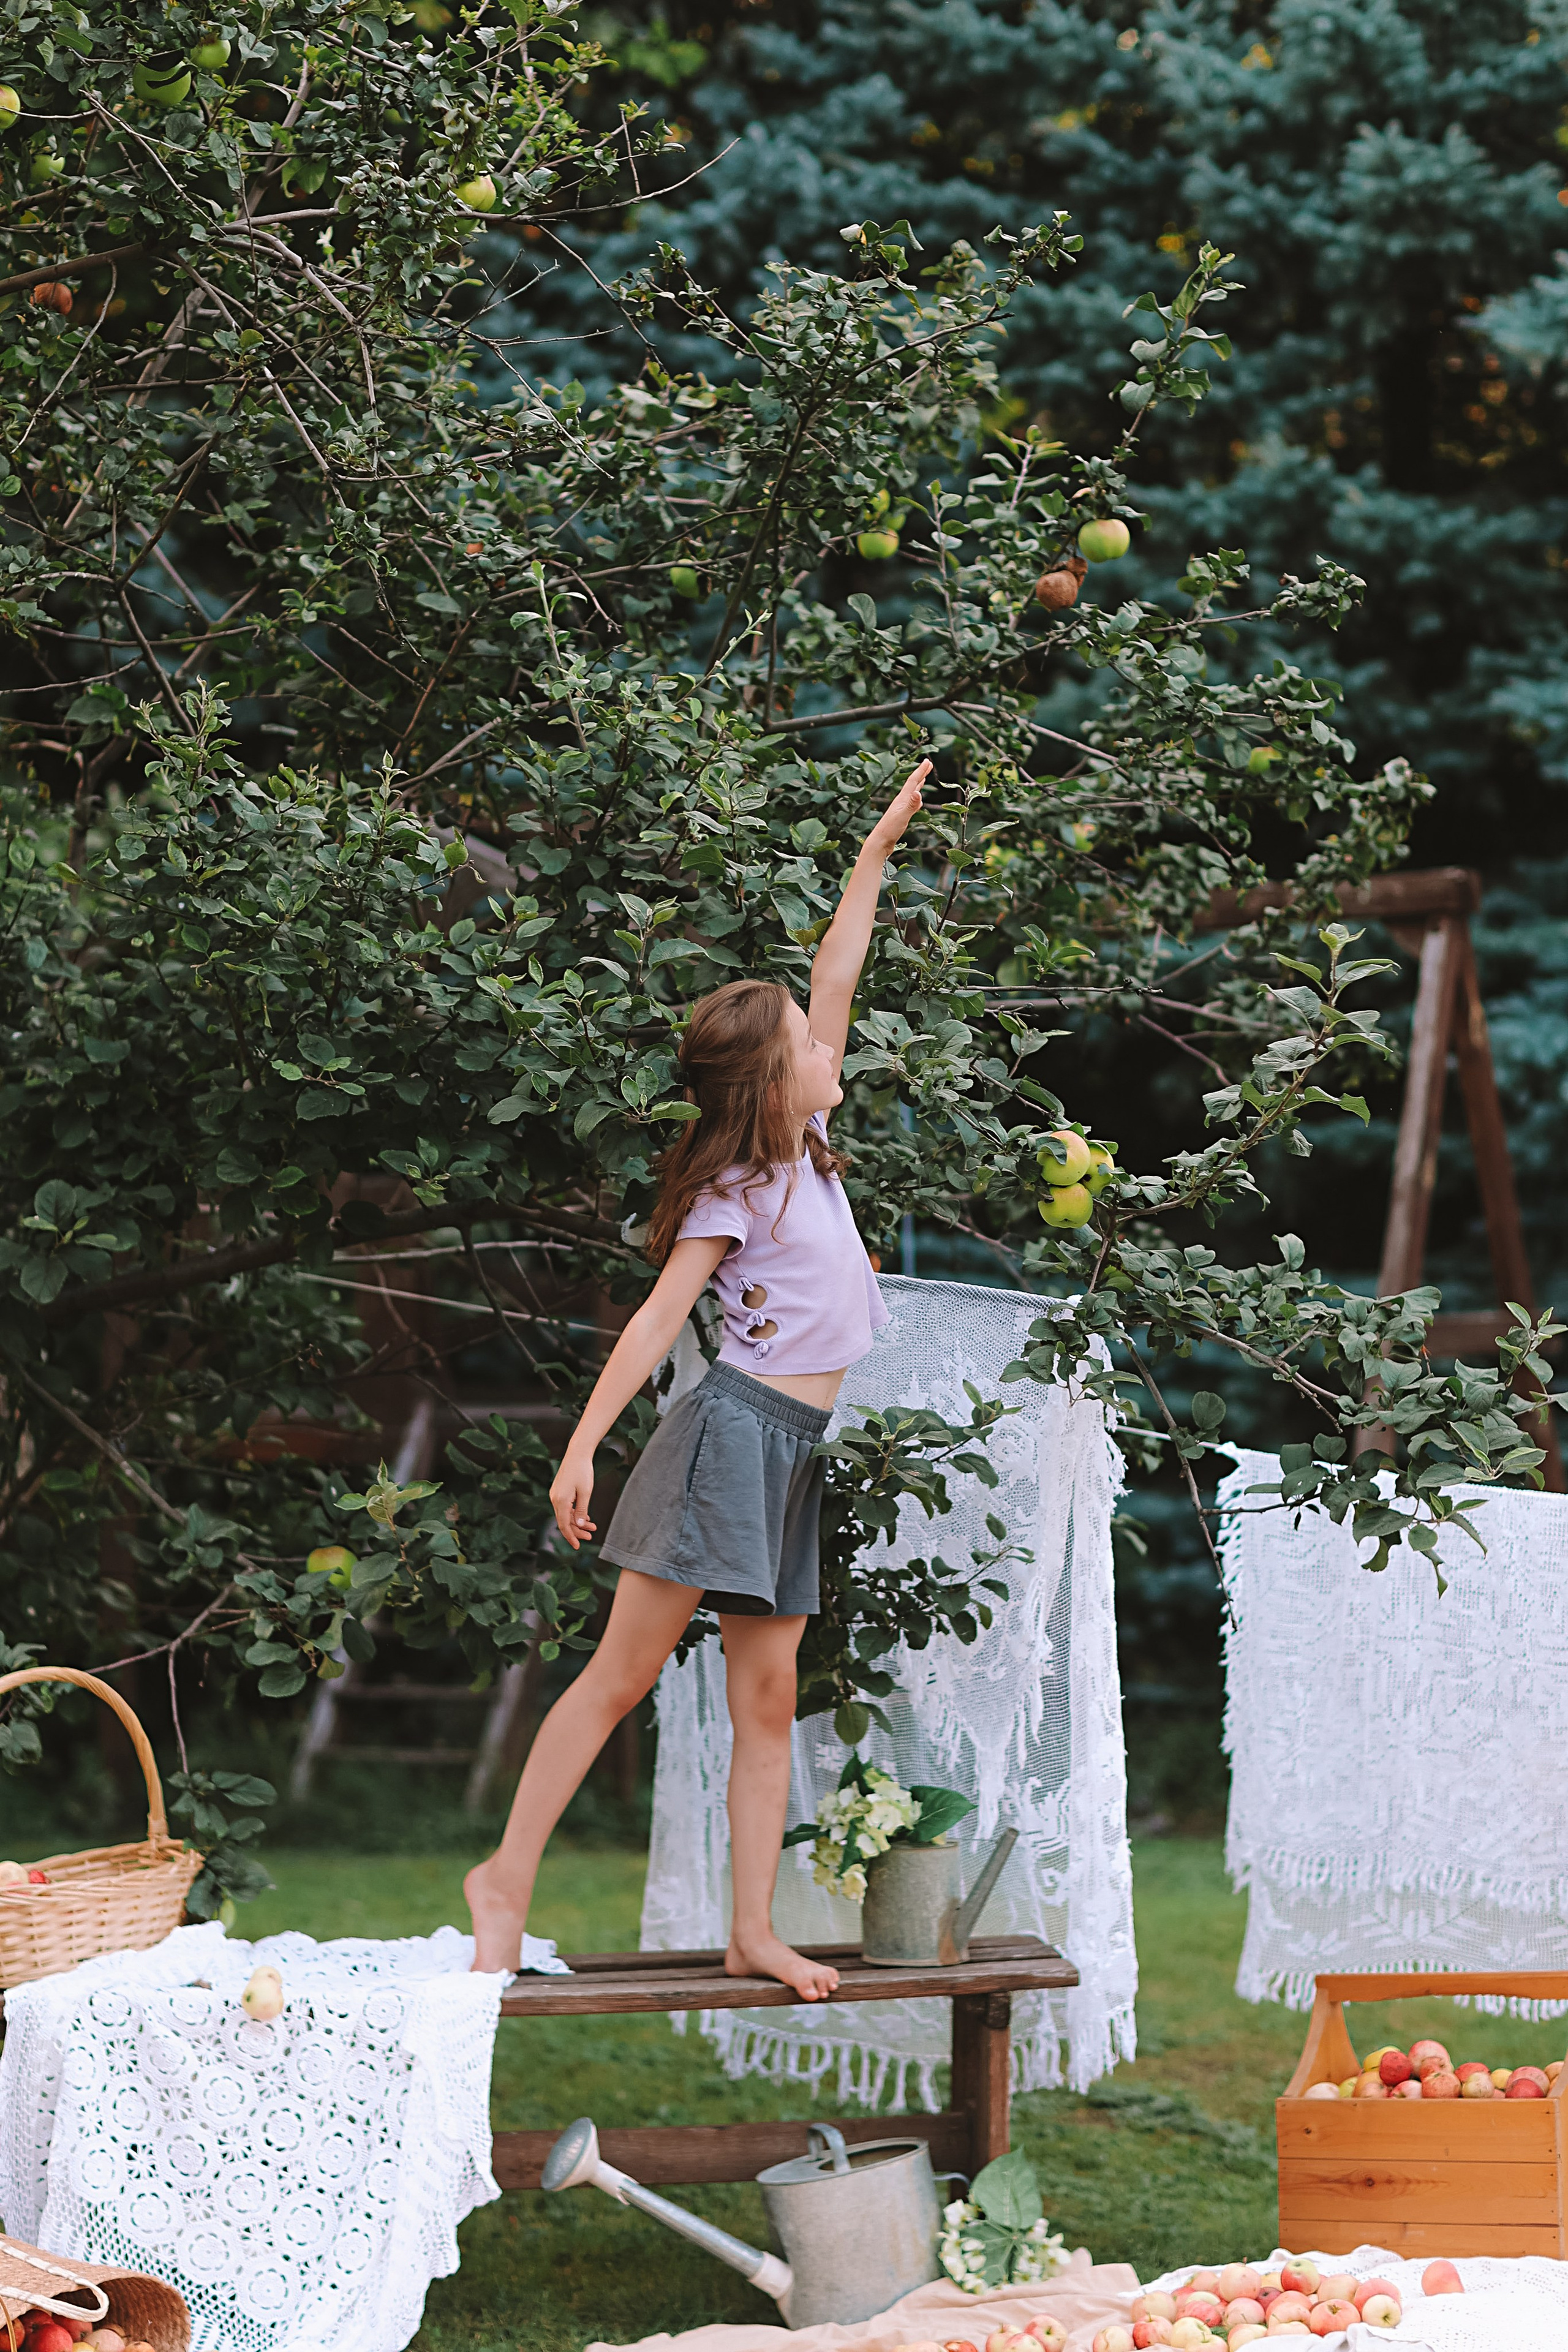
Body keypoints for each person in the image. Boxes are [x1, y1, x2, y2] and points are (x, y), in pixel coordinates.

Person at [464, 759, 930, 1996]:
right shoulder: (736, 1191)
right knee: (618, 1680)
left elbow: (836, 967)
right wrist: (578, 1450)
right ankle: (501, 1881)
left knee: (766, 1705)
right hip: (726, 1439)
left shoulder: (812, 1146)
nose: (832, 1046)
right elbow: (653, 1320)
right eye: (807, 1048)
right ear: (774, 1083)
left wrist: (874, 851)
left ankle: (749, 1929)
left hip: (788, 1452)